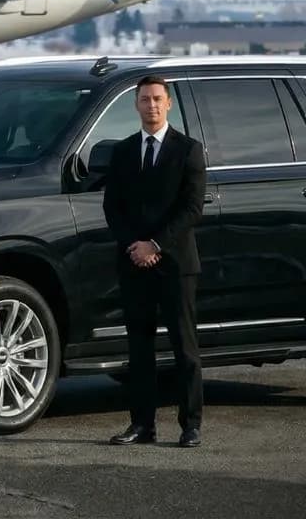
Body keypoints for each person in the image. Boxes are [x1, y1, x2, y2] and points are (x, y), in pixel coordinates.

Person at [103, 74, 206, 448]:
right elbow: (112, 206)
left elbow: (192, 208)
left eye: (158, 99)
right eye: (145, 99)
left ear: (169, 103)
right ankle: (142, 425)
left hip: (176, 263)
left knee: (184, 347)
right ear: (136, 104)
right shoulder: (123, 151)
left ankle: (191, 425)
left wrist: (155, 245)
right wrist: (135, 246)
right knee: (139, 349)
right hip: (134, 262)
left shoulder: (188, 150)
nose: (152, 105)